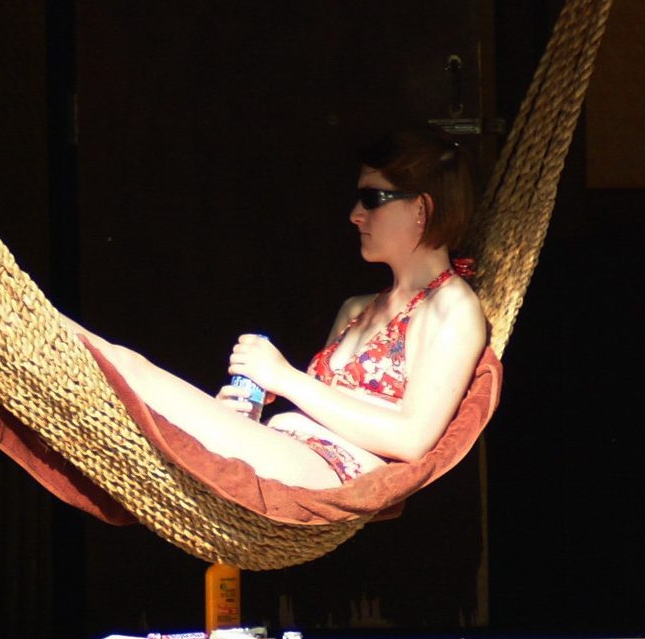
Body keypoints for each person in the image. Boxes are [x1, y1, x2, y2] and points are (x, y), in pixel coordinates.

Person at [88, 126, 492, 490]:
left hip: (334, 475)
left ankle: (37, 325)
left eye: (372, 199)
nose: (355, 215)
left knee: (132, 373)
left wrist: (284, 378)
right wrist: (246, 413)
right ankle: (39, 330)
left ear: (422, 208)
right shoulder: (357, 308)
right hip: (289, 452)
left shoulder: (452, 307)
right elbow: (322, 410)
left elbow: (413, 439)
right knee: (127, 378)